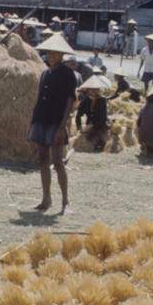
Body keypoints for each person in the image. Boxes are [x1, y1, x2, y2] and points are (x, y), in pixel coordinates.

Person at [27, 32, 78, 214]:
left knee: (57, 161)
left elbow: (70, 100)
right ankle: (46, 199)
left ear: (61, 55)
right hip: (42, 119)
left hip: (56, 122)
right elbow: (40, 99)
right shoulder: (45, 73)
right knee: (42, 159)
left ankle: (65, 201)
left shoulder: (68, 74)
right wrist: (34, 121)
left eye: (55, 53)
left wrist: (63, 125)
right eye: (49, 53)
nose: (51, 56)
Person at [77, 75, 109, 150]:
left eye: (96, 89)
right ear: (88, 90)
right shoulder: (85, 100)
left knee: (97, 142)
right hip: (89, 125)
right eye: (92, 89)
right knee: (86, 139)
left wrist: (92, 126)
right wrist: (80, 128)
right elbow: (78, 114)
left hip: (100, 125)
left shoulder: (102, 100)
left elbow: (103, 117)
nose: (94, 91)